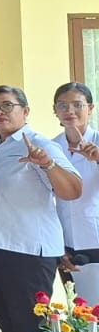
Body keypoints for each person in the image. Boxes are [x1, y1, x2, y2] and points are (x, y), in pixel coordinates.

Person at [0, 84, 81, 332]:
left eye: (8, 105)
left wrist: (48, 164)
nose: (0, 112)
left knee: (32, 329)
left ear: (25, 111)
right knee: (9, 326)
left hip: (27, 250)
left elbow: (73, 190)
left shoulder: (40, 144)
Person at [50, 82, 99, 305]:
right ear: (55, 110)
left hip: (95, 236)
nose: (70, 111)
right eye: (62, 105)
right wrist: (58, 246)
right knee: (81, 311)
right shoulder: (50, 148)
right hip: (67, 243)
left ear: (91, 108)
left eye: (77, 105)